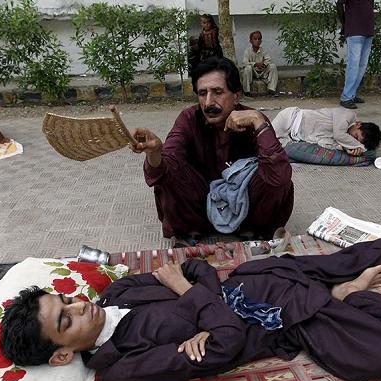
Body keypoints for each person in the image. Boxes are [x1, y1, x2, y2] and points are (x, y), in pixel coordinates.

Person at [0, 194, 381, 381]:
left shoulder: (117, 291)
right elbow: (230, 342)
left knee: (360, 252)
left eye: (65, 300)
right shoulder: (123, 367)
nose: (80, 306)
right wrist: (194, 297)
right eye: (65, 321)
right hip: (279, 321)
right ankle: (345, 297)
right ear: (63, 353)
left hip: (258, 277)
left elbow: (195, 267)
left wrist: (196, 298)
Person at [126, 56, 294, 243]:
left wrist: (258, 121)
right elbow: (166, 165)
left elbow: (280, 174)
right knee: (170, 172)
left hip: (246, 209)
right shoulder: (189, 118)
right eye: (202, 93)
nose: (208, 102)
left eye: (217, 92)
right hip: (199, 210)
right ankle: (189, 233)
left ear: (237, 95)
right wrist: (154, 153)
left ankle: (254, 232)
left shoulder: (255, 120)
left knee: (277, 175)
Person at [272, 106, 381, 156]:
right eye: (356, 137)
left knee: (270, 151)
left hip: (291, 137)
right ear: (358, 125)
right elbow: (339, 135)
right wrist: (361, 148)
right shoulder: (348, 115)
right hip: (290, 118)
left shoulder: (344, 141)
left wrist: (346, 149)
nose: (351, 140)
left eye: (356, 141)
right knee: (263, 138)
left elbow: (322, 143)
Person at [336, 0, 375, 109]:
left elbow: (370, 5)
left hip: (368, 30)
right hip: (354, 31)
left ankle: (351, 94)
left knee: (362, 65)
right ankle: (346, 98)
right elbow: (339, 4)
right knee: (353, 65)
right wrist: (344, 23)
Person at [241, 31, 279, 97]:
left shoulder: (263, 50)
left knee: (273, 66)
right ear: (250, 41)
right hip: (253, 72)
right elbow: (245, 63)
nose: (257, 41)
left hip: (262, 71)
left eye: (259, 39)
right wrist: (255, 64)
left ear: (261, 41)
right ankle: (246, 91)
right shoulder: (247, 51)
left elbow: (268, 60)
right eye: (255, 39)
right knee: (247, 68)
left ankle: (271, 89)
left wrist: (263, 64)